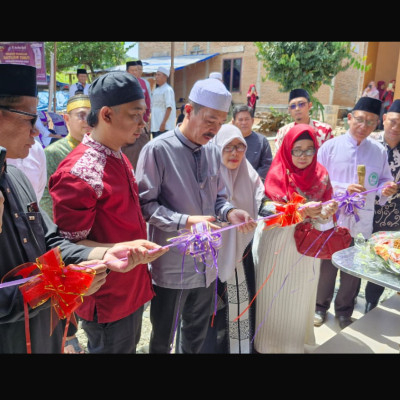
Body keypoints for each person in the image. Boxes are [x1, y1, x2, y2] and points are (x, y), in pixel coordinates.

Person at [0, 63, 162, 354]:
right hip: (100, 299)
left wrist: (108, 252)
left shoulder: (14, 177)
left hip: (47, 324)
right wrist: (59, 285)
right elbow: (69, 242)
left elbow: (51, 241)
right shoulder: (79, 170)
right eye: (30, 118)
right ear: (107, 115)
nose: (38, 131)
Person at [49, 71, 168, 354]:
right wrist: (123, 248)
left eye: (144, 114)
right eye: (135, 115)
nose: (143, 122)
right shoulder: (79, 172)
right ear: (106, 114)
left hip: (132, 286)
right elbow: (67, 248)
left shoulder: (116, 153)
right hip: (106, 297)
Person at [136, 77, 257, 354]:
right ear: (188, 111)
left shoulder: (213, 151)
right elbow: (145, 206)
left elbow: (218, 200)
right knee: (162, 338)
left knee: (196, 336)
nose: (215, 129)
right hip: (172, 267)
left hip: (206, 266)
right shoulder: (158, 149)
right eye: (209, 120)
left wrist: (231, 211)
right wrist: (185, 221)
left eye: (221, 122)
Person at [251, 124, 338, 353]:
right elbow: (267, 214)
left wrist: (326, 213)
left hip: (308, 249)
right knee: (273, 297)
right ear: (287, 149)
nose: (303, 156)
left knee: (299, 298)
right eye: (297, 150)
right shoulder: (277, 174)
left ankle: (293, 346)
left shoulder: (321, 176)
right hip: (277, 245)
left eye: (309, 150)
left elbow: (325, 220)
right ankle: (267, 346)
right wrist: (300, 212)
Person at [314, 97, 397, 329]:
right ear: (349, 118)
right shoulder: (330, 147)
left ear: (376, 125)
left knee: (354, 268)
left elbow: (384, 180)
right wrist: (343, 190)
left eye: (371, 122)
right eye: (360, 120)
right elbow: (320, 183)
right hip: (334, 217)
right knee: (327, 266)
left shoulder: (379, 151)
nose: (364, 126)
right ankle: (320, 307)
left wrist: (387, 188)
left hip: (362, 219)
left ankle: (343, 311)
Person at [200, 123, 264, 353]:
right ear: (217, 148)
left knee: (240, 305)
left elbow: (263, 203)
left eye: (240, 146)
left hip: (241, 255)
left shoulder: (250, 174)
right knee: (211, 312)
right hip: (211, 256)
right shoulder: (207, 178)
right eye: (228, 147)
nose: (235, 153)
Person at [365, 99, 400, 313]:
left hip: (394, 216)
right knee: (358, 255)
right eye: (393, 122)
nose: (396, 128)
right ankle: (344, 304)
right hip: (367, 212)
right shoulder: (370, 144)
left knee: (383, 258)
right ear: (385, 119)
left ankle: (371, 302)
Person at [40, 94, 92, 219]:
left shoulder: (100, 150)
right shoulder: (53, 152)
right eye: (81, 115)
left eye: (91, 116)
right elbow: (45, 196)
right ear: (66, 119)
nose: (87, 121)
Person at [123, 60, 151, 170]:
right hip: (128, 126)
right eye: (132, 70)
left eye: (136, 70)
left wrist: (147, 118)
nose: (135, 72)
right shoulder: (122, 85)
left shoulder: (143, 83)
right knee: (129, 153)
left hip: (141, 125)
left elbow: (148, 102)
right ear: (127, 71)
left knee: (142, 152)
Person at [232, 104, 273, 181]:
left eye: (247, 119)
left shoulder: (262, 141)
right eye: (240, 120)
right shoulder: (229, 141)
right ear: (234, 122)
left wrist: (253, 180)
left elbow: (267, 164)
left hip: (255, 183)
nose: (244, 122)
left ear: (252, 121)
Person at [150, 66, 176, 138]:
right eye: (156, 75)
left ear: (165, 77)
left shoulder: (168, 90)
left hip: (164, 127)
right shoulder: (156, 91)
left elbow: (169, 108)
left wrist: (163, 123)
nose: (156, 77)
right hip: (155, 126)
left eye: (159, 75)